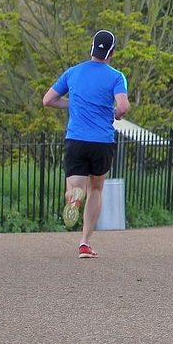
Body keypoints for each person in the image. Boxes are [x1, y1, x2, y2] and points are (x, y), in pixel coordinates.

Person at [41, 29, 130, 258]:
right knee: (96, 189)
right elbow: (122, 107)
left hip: (76, 139)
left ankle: (73, 199)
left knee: (74, 187)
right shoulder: (116, 76)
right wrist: (114, 114)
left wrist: (74, 105)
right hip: (101, 141)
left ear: (91, 47)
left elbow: (48, 100)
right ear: (112, 52)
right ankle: (84, 243)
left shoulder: (73, 73)